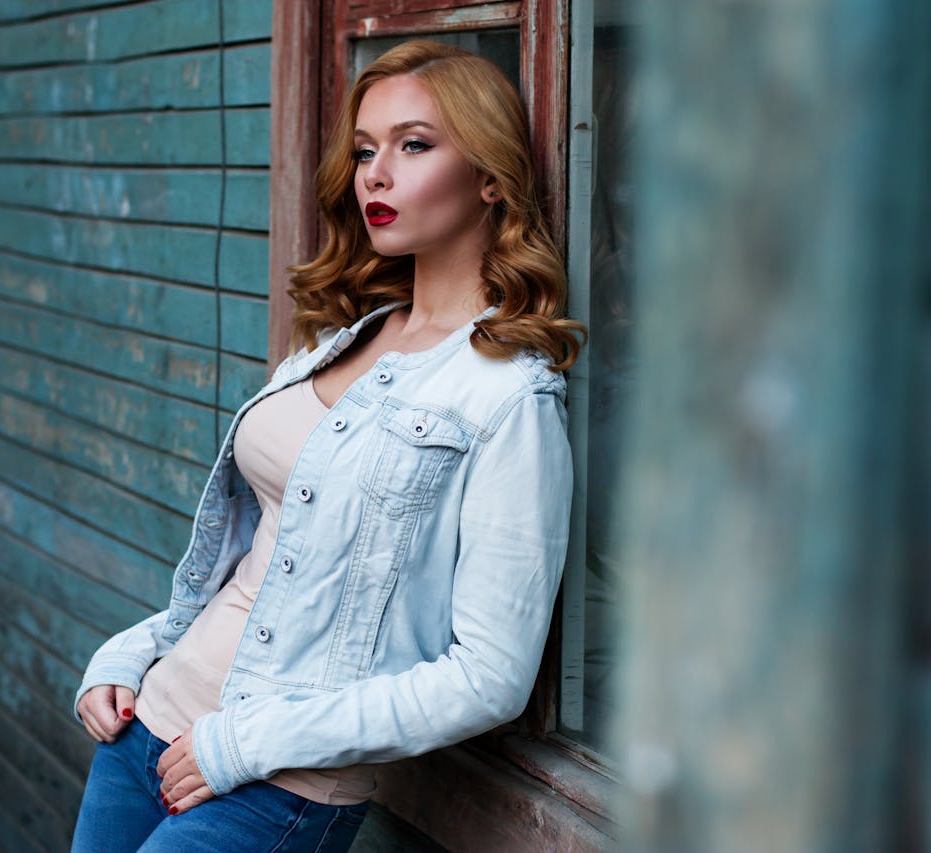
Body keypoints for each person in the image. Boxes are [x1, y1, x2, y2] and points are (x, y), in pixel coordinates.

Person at [69, 39, 584, 853]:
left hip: (270, 787)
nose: (375, 175)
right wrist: (134, 652)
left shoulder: (508, 395)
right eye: (365, 151)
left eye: (414, 145)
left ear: (490, 177)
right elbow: (262, 560)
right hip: (144, 728)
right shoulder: (341, 340)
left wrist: (245, 742)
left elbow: (489, 678)